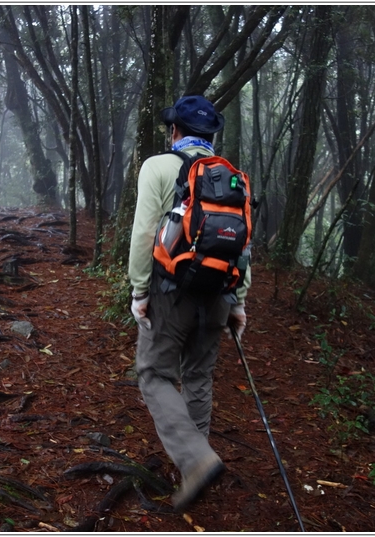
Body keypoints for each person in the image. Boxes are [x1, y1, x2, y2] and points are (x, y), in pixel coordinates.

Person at [127, 95, 250, 512]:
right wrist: (238, 303)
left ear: (174, 131)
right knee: (198, 376)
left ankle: (195, 460)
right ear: (211, 135)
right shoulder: (233, 178)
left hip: (170, 294)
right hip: (219, 294)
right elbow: (243, 247)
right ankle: (197, 465)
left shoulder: (157, 167)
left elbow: (145, 231)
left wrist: (139, 291)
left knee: (153, 373)